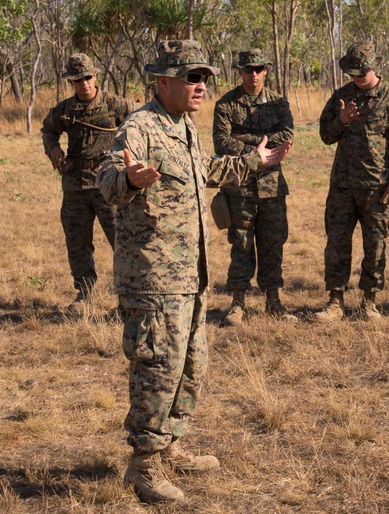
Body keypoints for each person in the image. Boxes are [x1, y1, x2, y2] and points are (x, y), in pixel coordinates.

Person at [98, 40, 289, 504]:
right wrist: (129, 178)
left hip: (191, 275)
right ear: (163, 82)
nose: (201, 86)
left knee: (191, 368)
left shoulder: (184, 127)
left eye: (203, 78)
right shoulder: (139, 126)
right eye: (191, 78)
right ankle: (143, 465)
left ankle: (171, 447)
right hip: (154, 278)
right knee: (157, 369)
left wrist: (252, 162)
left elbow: (205, 171)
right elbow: (106, 178)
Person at [315, 42, 389, 321]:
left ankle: (369, 301)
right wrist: (342, 121)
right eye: (352, 72)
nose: (357, 77)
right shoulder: (341, 97)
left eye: (361, 71)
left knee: (375, 246)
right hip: (342, 187)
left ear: (374, 67)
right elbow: (325, 135)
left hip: (377, 189)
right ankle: (335, 301)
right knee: (336, 244)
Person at [41, 53, 132, 312]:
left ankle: (127, 296)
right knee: (78, 241)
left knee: (122, 241)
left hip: (110, 186)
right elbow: (48, 130)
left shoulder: (116, 105)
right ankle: (84, 293)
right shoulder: (65, 110)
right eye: (78, 79)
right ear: (72, 82)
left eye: (88, 77)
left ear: (96, 75)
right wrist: (53, 149)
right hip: (76, 187)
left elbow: (141, 124)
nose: (85, 83)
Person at [212, 48, 295, 324]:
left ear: (266, 70)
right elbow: (221, 142)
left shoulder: (279, 104)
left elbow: (287, 134)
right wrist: (259, 151)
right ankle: (238, 303)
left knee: (273, 242)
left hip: (272, 187)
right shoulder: (225, 105)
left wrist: (247, 138)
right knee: (241, 243)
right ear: (240, 71)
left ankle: (274, 301)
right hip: (239, 184)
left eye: (259, 68)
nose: (254, 74)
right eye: (248, 69)